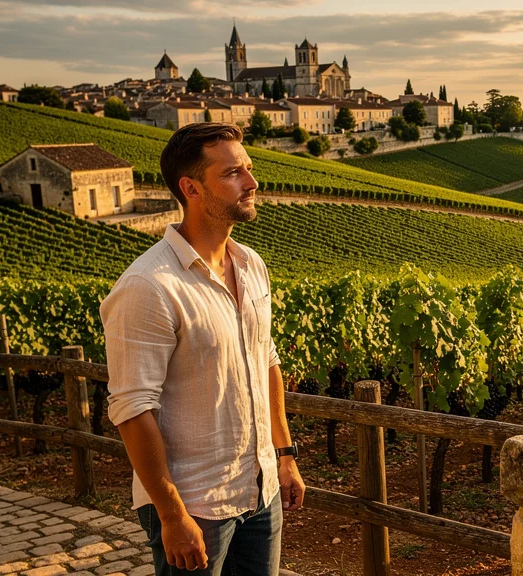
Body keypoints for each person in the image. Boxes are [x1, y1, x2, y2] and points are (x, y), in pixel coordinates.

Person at [100, 122, 305, 575]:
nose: (252, 183)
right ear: (191, 188)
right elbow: (132, 410)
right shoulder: (148, 286)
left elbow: (265, 358)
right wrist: (172, 516)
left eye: (249, 168)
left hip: (260, 488)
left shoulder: (252, 265)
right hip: (194, 502)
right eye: (234, 173)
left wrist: (284, 455)